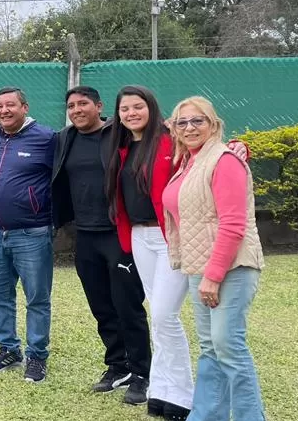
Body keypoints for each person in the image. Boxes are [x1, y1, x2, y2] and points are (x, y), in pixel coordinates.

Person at [163, 96, 265, 421]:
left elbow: (233, 224)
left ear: (213, 124)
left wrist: (213, 274)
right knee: (210, 347)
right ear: (175, 130)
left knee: (229, 347)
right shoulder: (188, 162)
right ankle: (206, 415)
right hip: (199, 266)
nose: (190, 127)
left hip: (230, 268)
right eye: (183, 122)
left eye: (198, 121)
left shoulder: (224, 160)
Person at [50, 86, 151, 403]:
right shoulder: (66, 138)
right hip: (85, 234)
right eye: (71, 105)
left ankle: (141, 374)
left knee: (128, 307)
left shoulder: (118, 135)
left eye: (83, 104)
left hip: (118, 233)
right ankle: (117, 366)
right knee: (102, 308)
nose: (76, 109)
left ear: (99, 106)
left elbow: (160, 138)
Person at [104, 86, 193, 419]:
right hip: (140, 238)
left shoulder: (172, 140)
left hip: (170, 237)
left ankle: (184, 395)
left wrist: (240, 148)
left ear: (151, 108)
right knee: (157, 315)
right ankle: (161, 390)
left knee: (164, 316)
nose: (130, 113)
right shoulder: (123, 148)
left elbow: (209, 152)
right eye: (124, 109)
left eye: (137, 107)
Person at [0, 87, 56, 383]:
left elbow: (60, 178)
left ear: (25, 107)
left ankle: (37, 356)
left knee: (37, 297)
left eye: (10, 105)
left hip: (32, 233)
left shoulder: (46, 138)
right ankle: (8, 348)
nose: (4, 111)